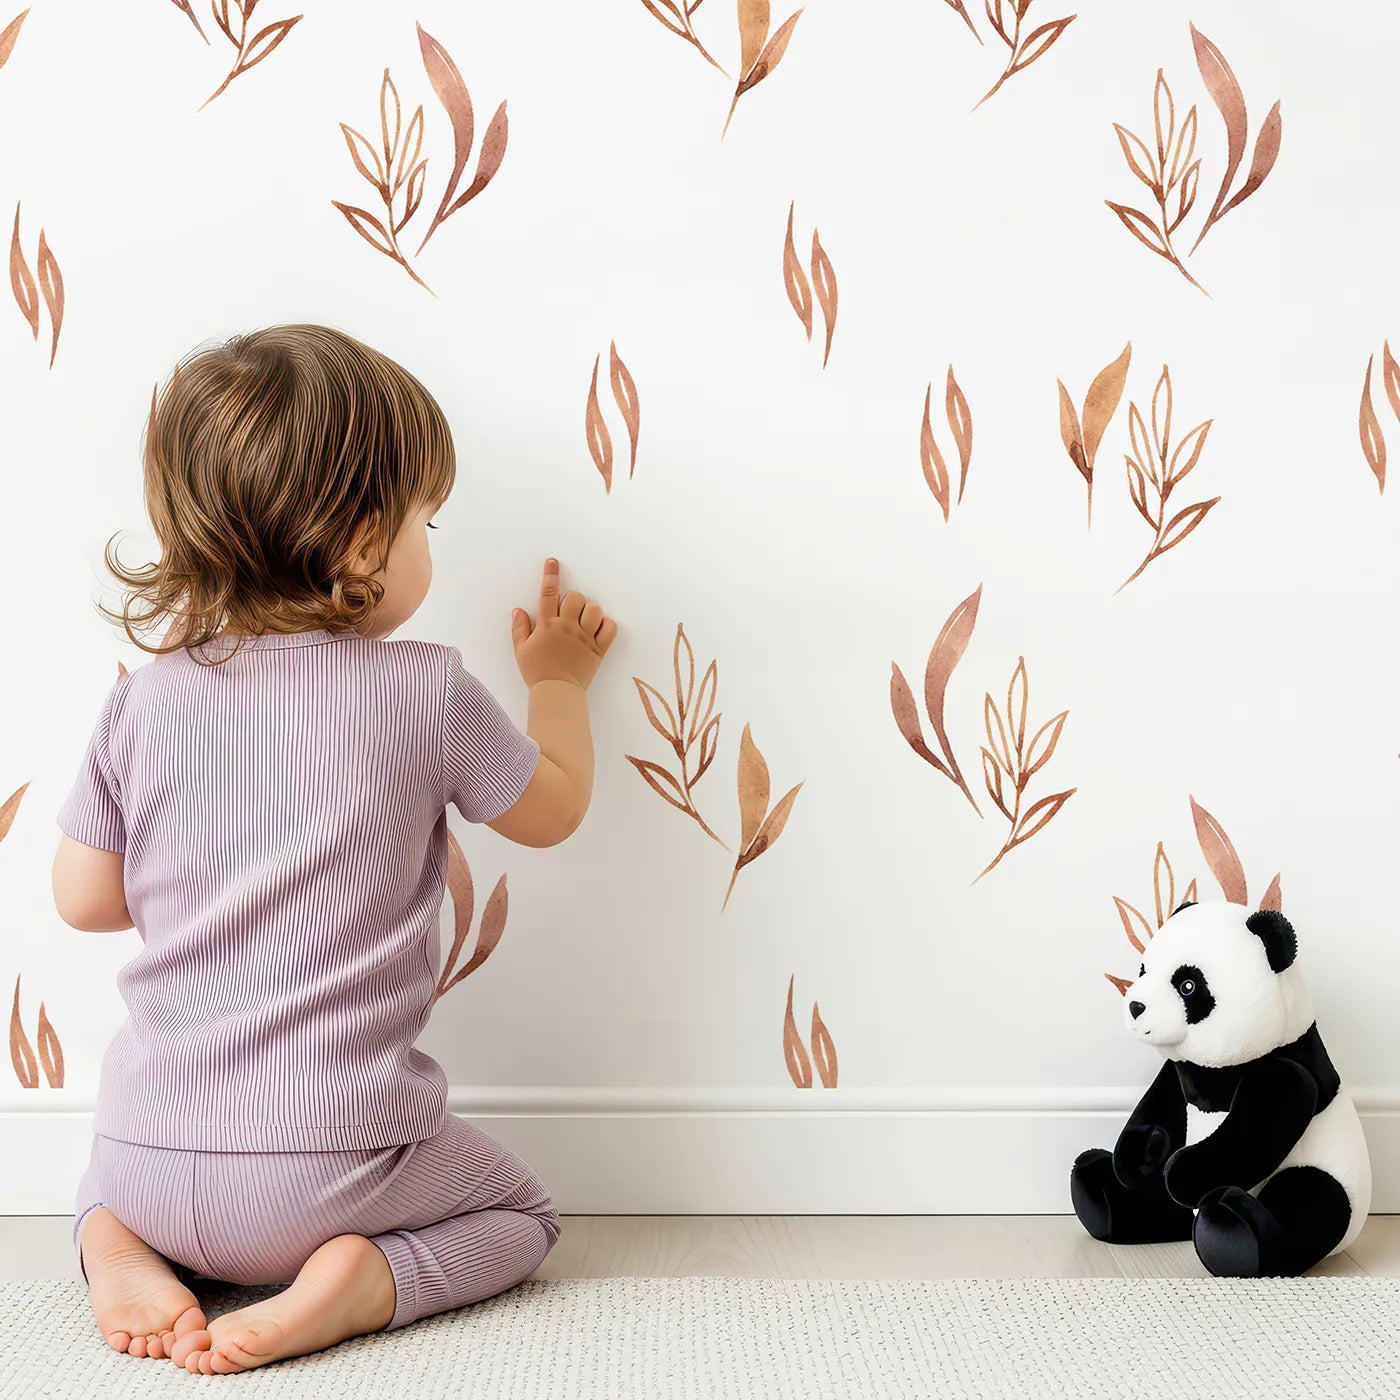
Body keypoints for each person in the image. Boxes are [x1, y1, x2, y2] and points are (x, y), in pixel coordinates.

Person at [52, 323, 616, 1375]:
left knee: (102, 1168)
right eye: (423, 519)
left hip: (150, 1158)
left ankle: (113, 1238)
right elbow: (551, 811)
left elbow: (83, 899)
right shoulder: (426, 688)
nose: (425, 541)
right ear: (364, 543)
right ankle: (361, 1282)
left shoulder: (145, 701)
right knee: (522, 1213)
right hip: (336, 1170)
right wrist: (557, 685)